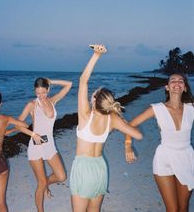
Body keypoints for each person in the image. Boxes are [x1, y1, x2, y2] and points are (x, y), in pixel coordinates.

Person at [70, 44, 143, 212]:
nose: (91, 95)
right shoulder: (113, 119)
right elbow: (137, 134)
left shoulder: (85, 116)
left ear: (95, 100)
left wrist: (96, 55)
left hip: (83, 168)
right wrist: (128, 144)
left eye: (93, 93)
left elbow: (83, 81)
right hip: (100, 168)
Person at [125, 73, 194, 212]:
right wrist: (128, 145)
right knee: (172, 209)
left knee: (183, 207)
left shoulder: (191, 108)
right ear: (167, 87)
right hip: (164, 158)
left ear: (185, 88)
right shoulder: (157, 108)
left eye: (181, 81)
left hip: (186, 158)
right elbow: (131, 124)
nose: (177, 82)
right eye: (173, 80)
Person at [15, 77, 72, 212]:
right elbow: (18, 125)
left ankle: (45, 183)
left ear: (48, 89)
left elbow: (69, 85)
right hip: (35, 146)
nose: (40, 96)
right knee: (40, 184)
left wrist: (51, 80)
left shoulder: (53, 101)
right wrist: (33, 134)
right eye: (37, 93)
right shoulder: (32, 104)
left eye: (43, 92)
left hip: (50, 144)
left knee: (61, 176)